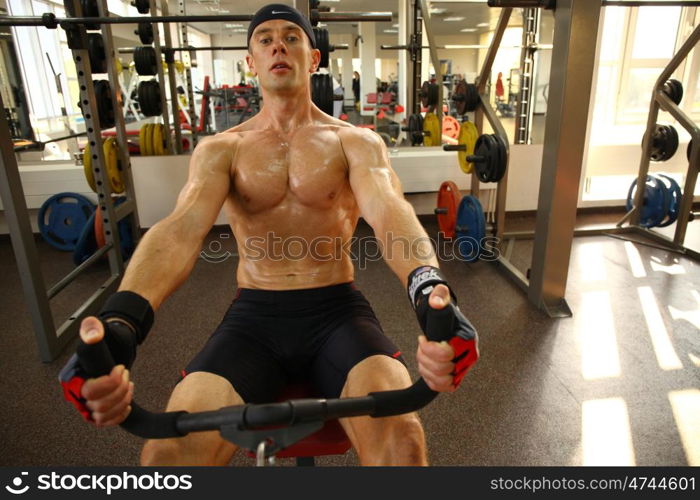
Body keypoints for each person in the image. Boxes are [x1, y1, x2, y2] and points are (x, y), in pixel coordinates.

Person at [60, 4, 479, 466]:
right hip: (255, 320)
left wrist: (429, 290)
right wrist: (123, 322)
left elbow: (390, 212)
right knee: (165, 456)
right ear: (251, 61)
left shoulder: (354, 141)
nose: (278, 44)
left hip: (337, 313)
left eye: (291, 37)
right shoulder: (222, 149)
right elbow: (180, 230)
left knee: (403, 444)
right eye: (265, 39)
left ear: (313, 57)